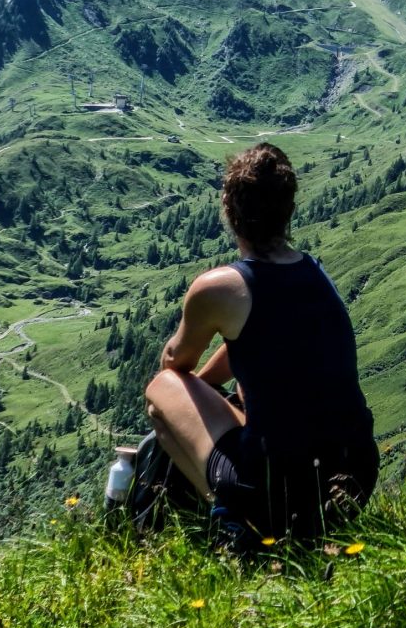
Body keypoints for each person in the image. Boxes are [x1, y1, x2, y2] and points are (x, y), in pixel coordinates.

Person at [142, 142, 379, 540]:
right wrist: (216, 386)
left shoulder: (219, 288)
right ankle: (256, 513)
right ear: (289, 209)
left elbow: (174, 363)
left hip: (278, 491)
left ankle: (232, 517)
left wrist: (201, 390)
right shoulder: (317, 274)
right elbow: (254, 341)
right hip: (354, 480)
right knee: (241, 407)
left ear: (229, 212)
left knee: (160, 393)